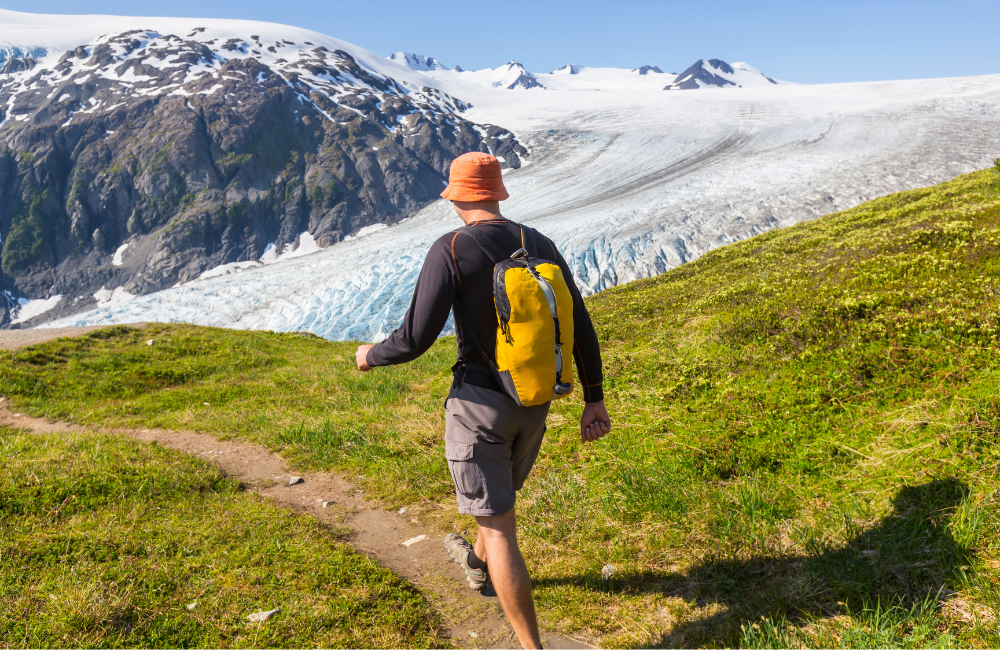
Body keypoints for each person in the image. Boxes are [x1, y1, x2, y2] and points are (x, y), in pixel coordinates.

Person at [355, 152, 611, 649]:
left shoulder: (451, 248)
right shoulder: (537, 243)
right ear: (495, 192)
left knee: (500, 531)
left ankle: (531, 646)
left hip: (479, 407)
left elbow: (413, 339)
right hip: (534, 403)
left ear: (457, 197)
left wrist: (371, 355)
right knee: (494, 507)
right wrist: (594, 398)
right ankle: (475, 566)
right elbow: (579, 325)